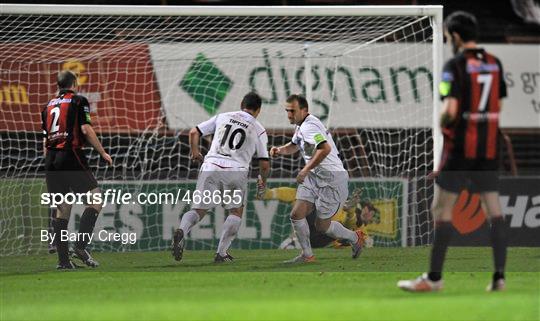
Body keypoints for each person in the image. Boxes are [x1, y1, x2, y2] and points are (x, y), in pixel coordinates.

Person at [397, 11, 508, 292]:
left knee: (441, 208)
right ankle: (499, 278)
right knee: (494, 210)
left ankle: (434, 278)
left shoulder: (454, 66)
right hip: (488, 148)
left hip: (460, 149)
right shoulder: (495, 64)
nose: (448, 41)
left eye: (447, 36)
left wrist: (442, 122)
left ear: (455, 36)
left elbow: (451, 110)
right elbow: (499, 106)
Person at [171, 92, 270, 263]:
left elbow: (194, 132)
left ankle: (182, 230)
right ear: (258, 110)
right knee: (236, 211)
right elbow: (264, 164)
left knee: (198, 210)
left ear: (241, 103)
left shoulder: (222, 116)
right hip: (236, 171)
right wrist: (263, 181)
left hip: (211, 166)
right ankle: (221, 253)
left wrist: (195, 152)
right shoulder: (259, 129)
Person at [270, 94, 364, 263]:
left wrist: (305, 169)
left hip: (331, 178)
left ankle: (354, 238)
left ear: (304, 110)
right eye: (287, 111)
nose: (289, 115)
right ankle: (307, 255)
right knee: (297, 214)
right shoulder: (301, 126)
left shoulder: (309, 127)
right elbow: (293, 145)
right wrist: (280, 150)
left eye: (292, 111)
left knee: (322, 226)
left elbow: (324, 149)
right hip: (315, 176)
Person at [42, 70, 112, 269]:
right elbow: (85, 129)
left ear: (58, 85)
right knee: (96, 199)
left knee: (62, 207)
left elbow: (45, 140)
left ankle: (64, 262)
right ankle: (80, 247)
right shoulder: (78, 100)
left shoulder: (47, 106)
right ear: (74, 83)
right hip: (70, 154)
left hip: (51, 159)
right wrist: (103, 153)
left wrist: (52, 161)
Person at [264, 187, 375, 248]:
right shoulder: (312, 196)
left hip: (325, 243)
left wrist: (366, 239)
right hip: (311, 236)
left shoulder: (344, 210)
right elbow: (289, 193)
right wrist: (269, 193)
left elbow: (359, 230)